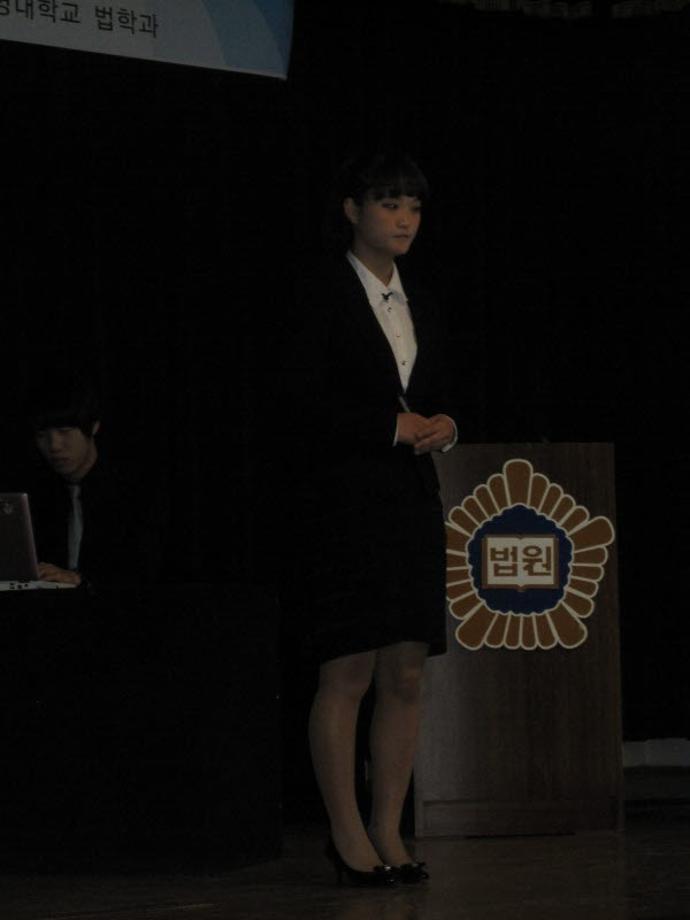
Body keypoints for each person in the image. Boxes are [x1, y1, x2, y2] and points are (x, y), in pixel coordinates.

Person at [282, 151, 457, 886]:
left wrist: (446, 423)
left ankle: (389, 827)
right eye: (389, 204)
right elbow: (295, 403)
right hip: (342, 503)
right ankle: (347, 833)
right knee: (348, 669)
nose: (405, 219)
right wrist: (386, 427)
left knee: (406, 672)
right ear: (352, 211)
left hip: (409, 501)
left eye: (413, 207)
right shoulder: (317, 292)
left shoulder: (426, 297)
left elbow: (444, 388)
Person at [24, 368, 159, 589]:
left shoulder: (132, 490)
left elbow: (144, 571)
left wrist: (81, 580)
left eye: (65, 431)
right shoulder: (39, 492)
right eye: (42, 435)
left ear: (94, 427)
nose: (54, 446)